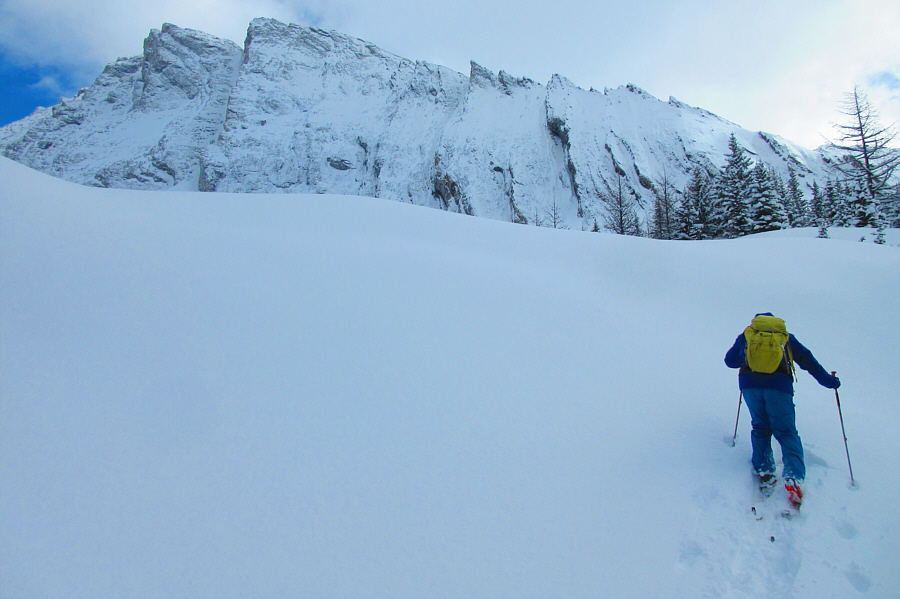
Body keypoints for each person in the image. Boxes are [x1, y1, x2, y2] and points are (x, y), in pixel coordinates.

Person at [724, 313, 840, 505]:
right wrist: (830, 382)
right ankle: (793, 476)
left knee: (760, 427)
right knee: (786, 432)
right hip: (779, 387)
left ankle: (765, 472)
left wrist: (746, 357)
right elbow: (808, 361)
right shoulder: (785, 338)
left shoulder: (748, 335)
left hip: (750, 386)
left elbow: (729, 361)